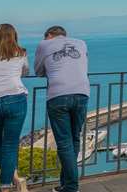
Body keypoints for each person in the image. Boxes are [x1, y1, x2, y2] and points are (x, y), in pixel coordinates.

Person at [34, 26, 89, 192]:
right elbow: (82, 66)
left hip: (58, 95)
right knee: (75, 139)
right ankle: (66, 183)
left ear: (49, 35)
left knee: (64, 143)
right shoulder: (81, 43)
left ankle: (71, 187)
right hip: (82, 93)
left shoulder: (44, 44)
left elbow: (38, 71)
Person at [0, 24, 29, 192]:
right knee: (10, 144)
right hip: (16, 99)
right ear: (14, 36)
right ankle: (8, 183)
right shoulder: (21, 52)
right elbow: (25, 72)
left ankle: (9, 181)